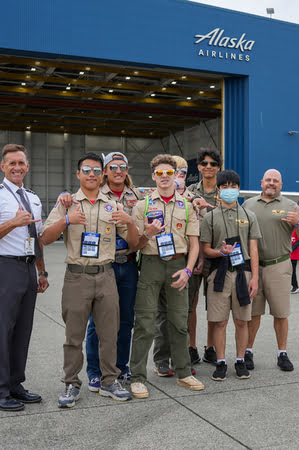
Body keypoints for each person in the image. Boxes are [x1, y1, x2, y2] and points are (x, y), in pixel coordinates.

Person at [41, 152, 139, 408]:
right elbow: (45, 238)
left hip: (106, 275)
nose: (92, 175)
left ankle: (109, 380)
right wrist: (66, 220)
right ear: (78, 174)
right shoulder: (67, 203)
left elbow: (132, 243)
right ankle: (71, 383)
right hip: (77, 276)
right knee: (74, 335)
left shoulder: (114, 205)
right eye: (87, 170)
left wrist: (129, 222)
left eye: (97, 170)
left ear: (103, 174)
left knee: (110, 333)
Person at [0, 143, 49, 412]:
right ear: (3, 167)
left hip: (28, 268)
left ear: (27, 167)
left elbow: (37, 238)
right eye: (12, 163)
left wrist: (41, 271)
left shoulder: (33, 197)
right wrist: (12, 223)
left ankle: (15, 384)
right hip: (5, 268)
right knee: (2, 331)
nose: (17, 167)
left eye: (21, 163)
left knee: (22, 331)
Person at [129, 154, 205, 399]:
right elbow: (135, 245)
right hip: (151, 265)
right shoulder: (142, 206)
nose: (164, 178)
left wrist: (187, 270)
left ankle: (183, 372)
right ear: (153, 176)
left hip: (178, 265)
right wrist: (147, 234)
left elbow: (194, 243)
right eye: (159, 174)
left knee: (179, 323)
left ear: (176, 176)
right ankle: (137, 377)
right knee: (145, 323)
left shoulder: (186, 206)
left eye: (168, 173)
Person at [242, 169, 299, 371]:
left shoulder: (291, 206)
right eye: (268, 180)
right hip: (253, 267)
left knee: (280, 313)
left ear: (281, 185)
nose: (271, 183)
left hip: (278, 265)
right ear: (261, 182)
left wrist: (297, 222)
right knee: (252, 313)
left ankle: (282, 353)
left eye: (276, 181)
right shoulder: (248, 204)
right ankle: (247, 351)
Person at [200, 170, 261, 381]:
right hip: (219, 273)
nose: (229, 190)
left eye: (233, 186)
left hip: (243, 273)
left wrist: (255, 277)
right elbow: (205, 250)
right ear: (218, 190)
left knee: (242, 321)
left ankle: (240, 360)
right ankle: (221, 361)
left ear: (238, 189)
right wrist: (220, 252)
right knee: (219, 322)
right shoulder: (210, 217)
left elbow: (253, 249)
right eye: (224, 186)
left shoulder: (249, 216)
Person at [152, 155, 197, 377]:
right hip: (158, 261)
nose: (178, 175)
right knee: (162, 316)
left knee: (182, 316)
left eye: (182, 171)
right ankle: (161, 359)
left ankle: (182, 361)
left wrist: (193, 265)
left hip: (183, 261)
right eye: (174, 171)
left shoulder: (192, 200)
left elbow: (199, 235)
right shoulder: (149, 196)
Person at [187, 148, 222, 366]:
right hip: (193, 254)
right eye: (204, 163)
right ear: (199, 167)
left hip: (216, 255)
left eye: (213, 163)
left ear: (218, 167)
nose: (208, 167)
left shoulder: (225, 192)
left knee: (214, 304)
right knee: (190, 304)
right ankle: (191, 347)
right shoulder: (190, 191)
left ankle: (210, 347)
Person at [290, 229, 299, 294]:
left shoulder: (296, 230)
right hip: (287, 255)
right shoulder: (286, 230)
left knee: (292, 271)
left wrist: (291, 249)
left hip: (294, 255)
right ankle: (294, 286)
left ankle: (295, 286)